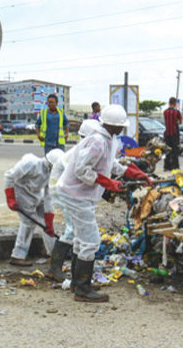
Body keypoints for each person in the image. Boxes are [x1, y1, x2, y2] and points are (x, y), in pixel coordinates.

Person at [55, 105, 151, 302]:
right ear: (110, 125)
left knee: (81, 240)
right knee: (91, 241)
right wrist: (108, 183)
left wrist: (136, 174)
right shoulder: (97, 141)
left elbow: (111, 165)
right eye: (119, 127)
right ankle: (82, 289)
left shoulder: (109, 139)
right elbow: (82, 170)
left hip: (80, 194)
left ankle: (78, 283)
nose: (121, 130)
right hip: (76, 194)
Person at [46, 119, 100, 282]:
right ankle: (55, 269)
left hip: (67, 191)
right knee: (72, 229)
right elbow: (81, 174)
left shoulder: (84, 149)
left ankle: (71, 274)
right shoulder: (79, 152)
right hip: (63, 192)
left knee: (77, 230)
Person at [4, 149, 65, 266]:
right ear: (50, 164)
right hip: (20, 193)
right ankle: (17, 255)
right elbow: (9, 176)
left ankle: (53, 253)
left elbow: (48, 197)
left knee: (47, 226)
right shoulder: (31, 164)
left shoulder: (51, 174)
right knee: (28, 222)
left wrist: (49, 221)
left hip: (35, 194)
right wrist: (10, 197)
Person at [163, 97, 182, 171]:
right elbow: (179, 122)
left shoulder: (165, 112)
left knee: (167, 150)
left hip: (167, 133)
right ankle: (175, 166)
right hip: (174, 133)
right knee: (175, 151)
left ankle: (166, 166)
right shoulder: (176, 112)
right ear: (175, 103)